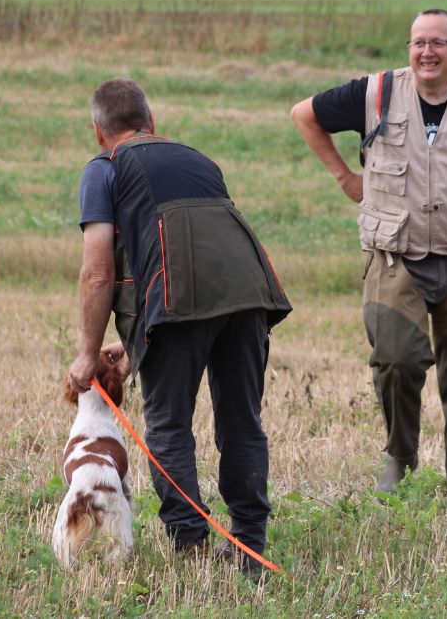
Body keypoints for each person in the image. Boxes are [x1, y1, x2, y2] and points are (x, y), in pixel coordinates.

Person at [67, 78, 292, 573]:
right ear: (152, 125)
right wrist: (134, 344)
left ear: (98, 132)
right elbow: (188, 241)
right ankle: (250, 543)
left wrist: (87, 352)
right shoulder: (197, 158)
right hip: (250, 291)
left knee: (169, 426)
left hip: (180, 296)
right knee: (242, 422)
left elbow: (99, 270)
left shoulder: (102, 169)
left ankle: (191, 547)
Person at [290, 9, 447, 499]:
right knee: (397, 361)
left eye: (439, 43)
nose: (427, 52)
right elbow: (304, 114)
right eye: (418, 43)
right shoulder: (376, 93)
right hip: (395, 258)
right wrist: (346, 177)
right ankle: (400, 456)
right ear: (409, 48)